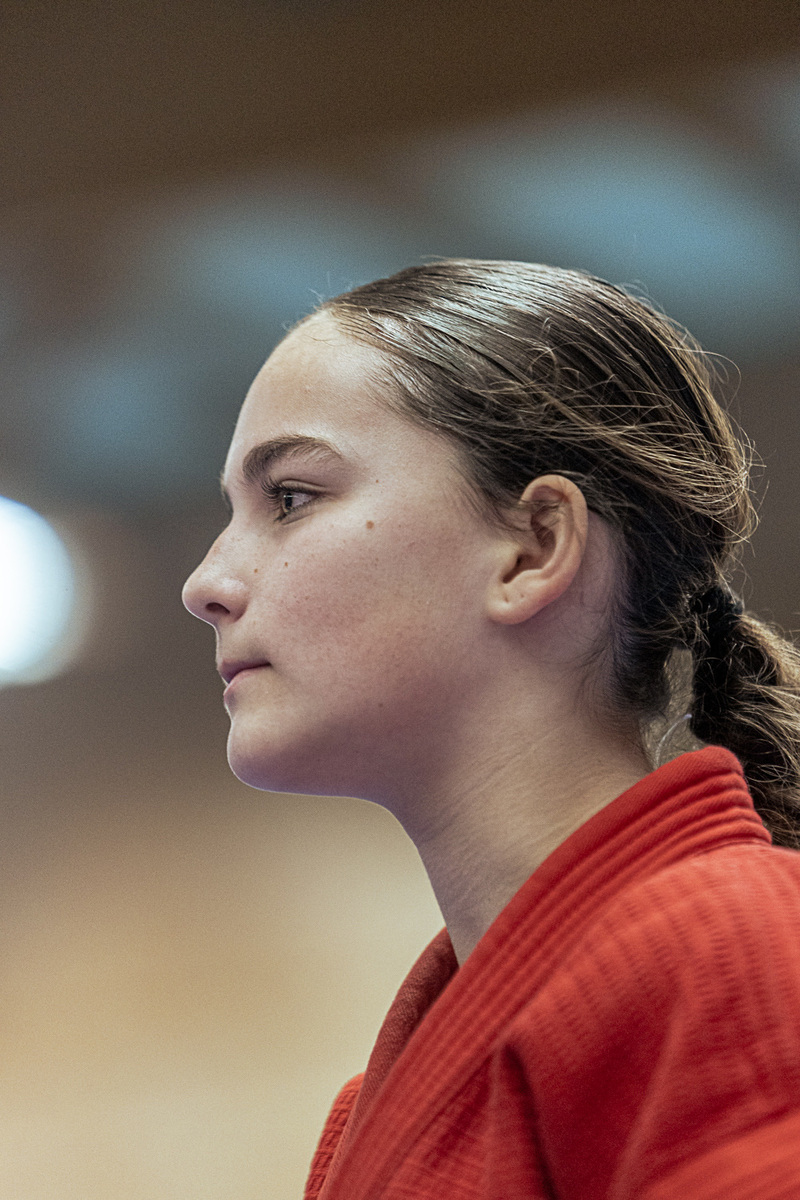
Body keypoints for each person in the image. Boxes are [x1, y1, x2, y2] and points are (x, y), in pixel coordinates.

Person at [181, 259, 800, 1199]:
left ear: (534, 547)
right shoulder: (379, 1104)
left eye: (293, 498)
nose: (207, 584)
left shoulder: (735, 947)